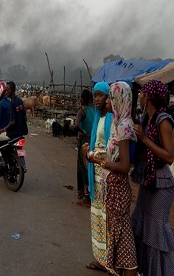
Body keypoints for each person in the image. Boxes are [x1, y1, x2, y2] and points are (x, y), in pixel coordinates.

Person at [85, 82, 138, 275]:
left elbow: (123, 166)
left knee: (122, 237)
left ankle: (120, 268)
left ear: (117, 99)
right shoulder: (119, 122)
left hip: (117, 187)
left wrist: (100, 163)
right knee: (116, 233)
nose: (105, 100)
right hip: (111, 186)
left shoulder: (123, 125)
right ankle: (109, 265)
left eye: (108, 97)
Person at [131, 80, 174, 276]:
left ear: (147, 97)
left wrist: (144, 139)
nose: (139, 97)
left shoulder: (163, 120)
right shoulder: (145, 119)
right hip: (149, 179)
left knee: (156, 233)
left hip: (161, 183)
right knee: (142, 224)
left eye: (141, 94)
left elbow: (169, 156)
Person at [82, 81, 113, 272]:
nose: (97, 99)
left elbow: (113, 148)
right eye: (95, 96)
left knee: (108, 217)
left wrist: (95, 155)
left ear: (108, 97)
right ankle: (100, 259)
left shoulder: (111, 117)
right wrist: (89, 151)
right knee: (97, 216)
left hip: (107, 170)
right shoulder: (97, 118)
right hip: (95, 170)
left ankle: (111, 260)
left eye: (101, 95)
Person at [0, 81, 27, 167]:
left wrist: (4, 129)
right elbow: (24, 116)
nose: (6, 92)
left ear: (12, 90)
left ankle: (0, 159)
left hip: (12, 133)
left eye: (7, 90)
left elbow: (12, 122)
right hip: (21, 132)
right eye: (5, 90)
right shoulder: (19, 101)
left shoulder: (11, 103)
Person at [75, 89, 95, 206]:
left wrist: (82, 132)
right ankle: (91, 193)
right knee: (90, 166)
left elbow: (76, 125)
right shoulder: (93, 110)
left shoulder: (82, 111)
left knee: (83, 167)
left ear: (82, 99)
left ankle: (86, 197)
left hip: (84, 141)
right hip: (92, 140)